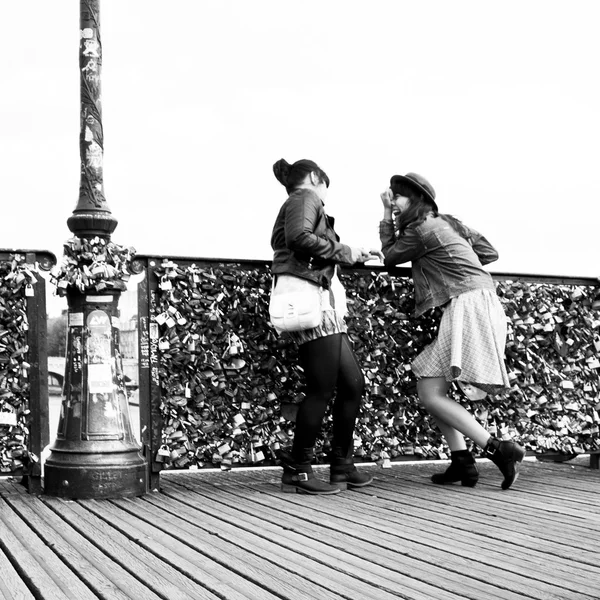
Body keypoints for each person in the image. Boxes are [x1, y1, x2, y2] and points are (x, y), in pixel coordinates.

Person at [379, 172, 525, 490]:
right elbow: (488, 253)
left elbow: (390, 257)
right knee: (430, 391)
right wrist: (455, 264)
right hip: (480, 301)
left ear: (415, 201)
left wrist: (383, 216)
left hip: (468, 304)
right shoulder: (449, 223)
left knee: (432, 392)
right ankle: (462, 462)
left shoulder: (421, 230)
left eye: (396, 198)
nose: (393, 202)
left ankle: (500, 450)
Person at [271, 157, 381, 494]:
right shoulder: (305, 199)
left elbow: (303, 240)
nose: (325, 195)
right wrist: (347, 251)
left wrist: (346, 253)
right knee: (322, 387)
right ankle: (299, 469)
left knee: (352, 384)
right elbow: (300, 238)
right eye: (325, 186)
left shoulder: (301, 201)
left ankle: (341, 465)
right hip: (311, 300)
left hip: (322, 303)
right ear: (316, 178)